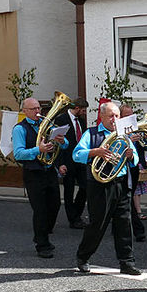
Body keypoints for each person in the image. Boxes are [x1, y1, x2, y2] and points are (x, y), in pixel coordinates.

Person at [73, 101, 141, 276]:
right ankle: (83, 257)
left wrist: (130, 154)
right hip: (100, 185)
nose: (114, 119)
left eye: (117, 116)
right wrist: (96, 152)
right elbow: (76, 154)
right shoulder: (91, 133)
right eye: (111, 116)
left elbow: (135, 159)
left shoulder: (123, 134)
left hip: (121, 182)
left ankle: (127, 262)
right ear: (101, 116)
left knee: (124, 223)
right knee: (98, 223)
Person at [12, 96, 68, 258]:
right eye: (33, 109)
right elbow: (18, 154)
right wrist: (38, 150)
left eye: (38, 108)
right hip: (33, 173)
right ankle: (42, 244)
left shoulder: (48, 125)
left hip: (49, 170)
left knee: (55, 204)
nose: (38, 112)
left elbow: (64, 146)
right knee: (40, 210)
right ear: (25, 111)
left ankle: (42, 232)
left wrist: (62, 141)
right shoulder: (19, 129)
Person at [57, 97, 90, 228]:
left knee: (85, 187)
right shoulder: (61, 120)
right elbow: (57, 143)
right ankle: (73, 219)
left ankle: (76, 213)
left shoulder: (81, 121)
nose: (84, 113)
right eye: (83, 110)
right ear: (76, 108)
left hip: (80, 160)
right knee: (69, 191)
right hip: (67, 160)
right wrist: (60, 163)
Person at [119, 103, 147, 243]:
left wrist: (144, 139)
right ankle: (139, 230)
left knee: (128, 195)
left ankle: (117, 226)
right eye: (126, 116)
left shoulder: (135, 127)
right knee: (126, 196)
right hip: (122, 167)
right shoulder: (118, 129)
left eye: (131, 115)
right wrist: (129, 140)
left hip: (135, 164)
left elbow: (146, 146)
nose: (130, 118)